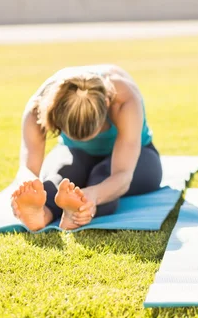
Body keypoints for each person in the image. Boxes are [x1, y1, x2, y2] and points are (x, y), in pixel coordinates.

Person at [10, 65, 162, 231]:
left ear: (106, 103)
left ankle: (77, 213)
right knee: (57, 179)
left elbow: (123, 175)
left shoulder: (124, 98)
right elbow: (28, 167)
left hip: (139, 158)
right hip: (75, 153)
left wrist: (93, 196)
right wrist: (29, 188)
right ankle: (43, 214)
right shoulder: (39, 105)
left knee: (102, 179)